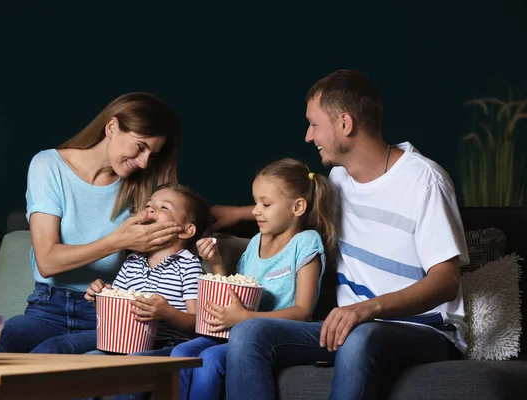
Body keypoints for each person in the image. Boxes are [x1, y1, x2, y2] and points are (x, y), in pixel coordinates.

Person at [217, 70, 469, 400]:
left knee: (362, 337)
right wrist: (234, 216)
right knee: (249, 334)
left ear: (345, 124)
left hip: (424, 330)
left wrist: (366, 310)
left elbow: (446, 281)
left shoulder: (424, 181)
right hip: (347, 329)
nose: (308, 136)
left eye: (315, 124)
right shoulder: (337, 181)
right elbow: (292, 209)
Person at [0, 93, 184, 354]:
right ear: (112, 127)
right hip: (46, 308)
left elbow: (174, 246)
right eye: (140, 147)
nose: (143, 162)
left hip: (105, 315)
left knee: (50, 354)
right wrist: (119, 241)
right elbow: (47, 261)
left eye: (152, 155)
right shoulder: (48, 165)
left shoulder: (143, 189)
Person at [171, 158, 336, 400]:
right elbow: (237, 292)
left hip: (275, 335)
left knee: (210, 359)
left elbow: (303, 311)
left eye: (265, 204)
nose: (255, 210)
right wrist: (216, 261)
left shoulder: (306, 242)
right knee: (181, 353)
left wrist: (245, 318)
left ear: (298, 207)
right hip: (237, 330)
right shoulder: (256, 241)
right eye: (255, 201)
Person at [83, 183, 210, 400]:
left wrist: (167, 313)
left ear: (186, 230)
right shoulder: (132, 260)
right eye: (149, 205)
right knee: (86, 363)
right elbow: (117, 309)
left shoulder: (188, 266)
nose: (151, 209)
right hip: (124, 344)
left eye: (164, 207)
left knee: (135, 366)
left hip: (167, 345)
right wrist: (100, 297)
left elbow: (197, 322)